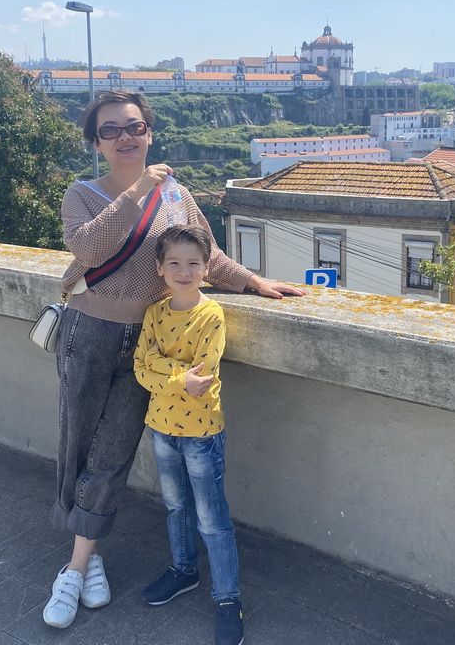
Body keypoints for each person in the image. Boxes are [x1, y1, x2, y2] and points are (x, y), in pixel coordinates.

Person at [43, 91, 303, 629]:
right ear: (96, 142)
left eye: (134, 128)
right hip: (89, 333)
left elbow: (207, 253)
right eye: (110, 130)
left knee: (112, 451)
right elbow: (89, 250)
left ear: (149, 133)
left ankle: (78, 564)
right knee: (78, 443)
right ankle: (85, 561)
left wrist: (253, 281)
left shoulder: (177, 196)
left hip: (151, 342)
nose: (124, 138)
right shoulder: (83, 194)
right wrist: (139, 189)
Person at [134, 225, 243, 645]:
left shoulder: (210, 314)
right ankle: (184, 570)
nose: (184, 271)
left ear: (207, 268)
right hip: (160, 427)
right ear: (160, 268)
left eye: (193, 263)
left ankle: (227, 597)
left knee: (212, 520)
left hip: (200, 432)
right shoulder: (155, 313)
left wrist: (167, 373)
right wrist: (179, 378)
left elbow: (205, 373)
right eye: (174, 263)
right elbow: (141, 368)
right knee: (176, 506)